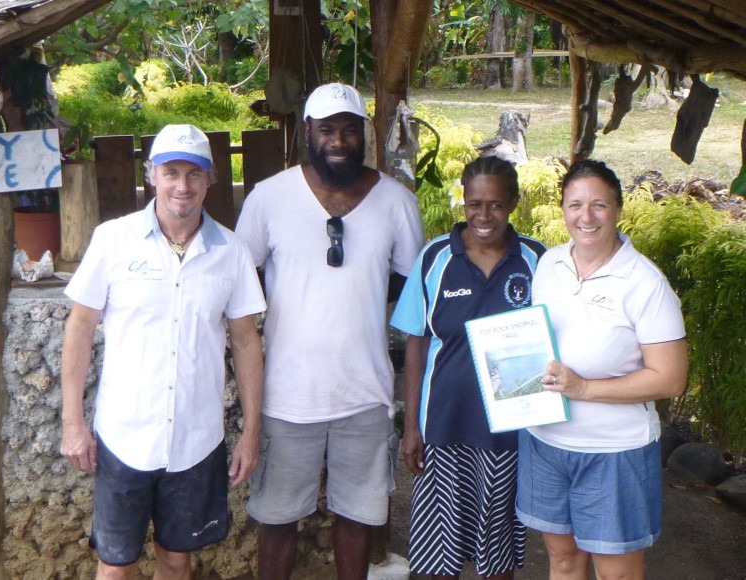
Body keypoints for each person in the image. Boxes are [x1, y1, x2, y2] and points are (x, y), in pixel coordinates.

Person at [235, 82, 424, 579]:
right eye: (326, 130)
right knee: (276, 519)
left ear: (363, 134)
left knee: (358, 517)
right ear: (307, 134)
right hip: (286, 395)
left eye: (348, 129)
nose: (338, 140)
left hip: (364, 393)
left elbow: (409, 292)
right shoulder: (269, 198)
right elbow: (241, 281)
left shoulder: (396, 203)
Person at [60, 124, 266, 580]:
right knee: (115, 565)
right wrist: (73, 423)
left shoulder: (231, 251)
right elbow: (79, 328)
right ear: (150, 174)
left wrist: (251, 433)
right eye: (171, 172)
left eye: (194, 174)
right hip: (123, 437)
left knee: (177, 560)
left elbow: (246, 341)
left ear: (210, 180)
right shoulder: (114, 240)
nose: (183, 186)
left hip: (196, 440)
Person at [516, 159, 688, 580]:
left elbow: (670, 378)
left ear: (618, 210)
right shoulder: (548, 265)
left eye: (599, 205)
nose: (586, 216)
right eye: (575, 204)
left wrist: (585, 388)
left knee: (618, 574)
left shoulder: (644, 282)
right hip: (546, 440)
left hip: (614, 450)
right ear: (562, 209)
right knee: (562, 559)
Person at [390, 156, 546, 579]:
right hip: (444, 428)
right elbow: (416, 344)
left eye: (495, 204)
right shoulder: (434, 258)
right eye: (474, 203)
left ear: (513, 202)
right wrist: (411, 427)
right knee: (438, 557)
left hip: (509, 435)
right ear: (463, 201)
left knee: (497, 558)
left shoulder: (537, 261)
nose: (484, 215)